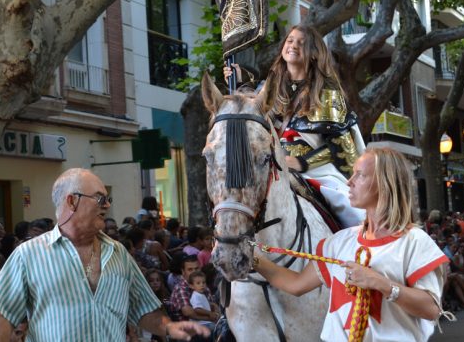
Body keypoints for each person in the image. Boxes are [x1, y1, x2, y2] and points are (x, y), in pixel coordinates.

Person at [0, 168, 208, 341]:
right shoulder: (27, 255)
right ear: (72, 201)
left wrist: (168, 327)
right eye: (100, 198)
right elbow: (2, 319)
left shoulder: (118, 252)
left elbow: (142, 309)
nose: (107, 205)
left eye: (108, 198)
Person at [253, 147, 449, 341]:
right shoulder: (338, 242)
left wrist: (380, 283)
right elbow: (296, 284)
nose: (349, 182)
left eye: (360, 175)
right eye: (352, 174)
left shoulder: (415, 241)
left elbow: (431, 309)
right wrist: (252, 260)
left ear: (385, 183)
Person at [224, 24, 365, 228]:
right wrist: (239, 83)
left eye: (301, 42)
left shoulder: (327, 91)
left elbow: (340, 148)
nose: (293, 45)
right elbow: (254, 115)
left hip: (316, 170)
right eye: (290, 40)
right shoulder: (268, 87)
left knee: (352, 211)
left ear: (315, 53)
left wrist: (301, 163)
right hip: (274, 165)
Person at [167, 255, 219, 325]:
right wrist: (210, 318)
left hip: (206, 324)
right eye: (190, 269)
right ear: (183, 272)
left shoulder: (203, 286)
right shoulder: (181, 288)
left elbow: (212, 306)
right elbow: (189, 313)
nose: (194, 272)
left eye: (196, 268)